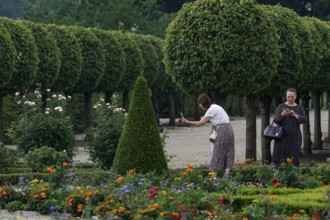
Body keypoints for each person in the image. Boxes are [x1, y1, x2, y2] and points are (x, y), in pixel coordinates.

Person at [181, 93, 235, 177]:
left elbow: (200, 123)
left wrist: (187, 122)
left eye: (199, 103)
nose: (199, 106)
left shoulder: (211, 109)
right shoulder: (217, 107)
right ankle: (226, 177)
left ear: (203, 103)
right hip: (229, 130)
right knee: (228, 153)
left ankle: (213, 179)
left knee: (216, 153)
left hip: (222, 131)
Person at [272, 88, 307, 167]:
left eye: (292, 97)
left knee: (294, 157)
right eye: (288, 97)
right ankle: (279, 176)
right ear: (286, 96)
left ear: (296, 97)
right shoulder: (281, 106)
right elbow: (276, 120)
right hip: (282, 135)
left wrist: (295, 115)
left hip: (295, 135)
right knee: (280, 157)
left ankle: (294, 176)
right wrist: (283, 114)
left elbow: (304, 120)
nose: (290, 99)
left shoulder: (299, 108)